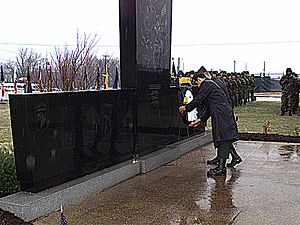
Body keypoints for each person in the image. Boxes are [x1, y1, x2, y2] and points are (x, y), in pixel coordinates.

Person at [179, 70, 240, 176]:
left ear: (199, 79)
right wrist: (200, 120)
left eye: (197, 83)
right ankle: (233, 158)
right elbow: (208, 107)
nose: (197, 86)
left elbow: (198, 99)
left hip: (222, 114)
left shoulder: (206, 84)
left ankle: (221, 168)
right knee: (222, 137)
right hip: (220, 113)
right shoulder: (210, 86)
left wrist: (186, 108)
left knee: (223, 138)